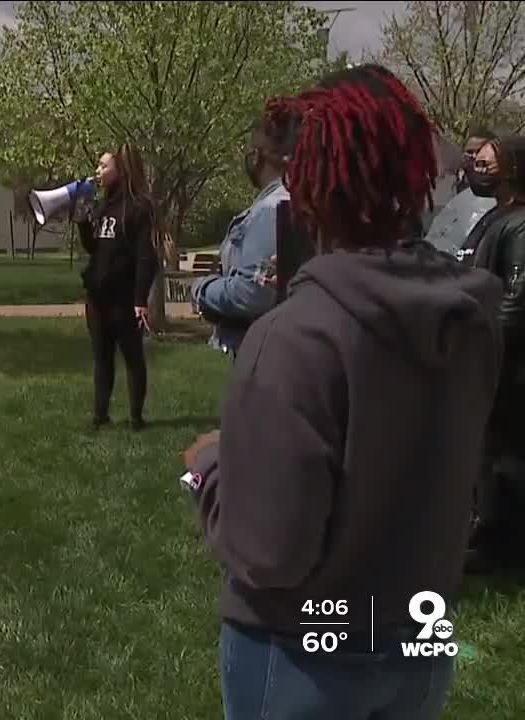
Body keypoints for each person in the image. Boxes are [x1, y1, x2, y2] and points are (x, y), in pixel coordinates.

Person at [180, 64, 501, 720]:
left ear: (307, 178)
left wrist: (213, 467)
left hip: (300, 654)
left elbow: (269, 554)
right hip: (417, 641)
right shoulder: (471, 318)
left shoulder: (292, 338)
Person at [462, 135, 525, 574]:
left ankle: (506, 546)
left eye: (489, 161)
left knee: (505, 452)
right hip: (486, 353)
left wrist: (490, 343)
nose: (478, 166)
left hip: (510, 364)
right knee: (486, 449)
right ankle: (489, 533)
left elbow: (519, 295)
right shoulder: (493, 218)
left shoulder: (519, 224)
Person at [191, 105, 299, 357]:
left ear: (261, 156)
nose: (249, 156)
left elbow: (252, 293)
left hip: (265, 354)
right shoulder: (288, 201)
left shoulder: (273, 209)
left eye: (252, 148)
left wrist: (202, 289)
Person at [78, 143, 158, 431]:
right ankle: (100, 416)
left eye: (104, 166)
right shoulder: (103, 206)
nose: (98, 171)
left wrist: (140, 300)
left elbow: (146, 257)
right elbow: (94, 249)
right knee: (102, 359)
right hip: (98, 297)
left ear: (120, 170)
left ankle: (136, 418)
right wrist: (84, 224)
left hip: (124, 299)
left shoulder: (138, 207)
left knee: (133, 358)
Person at [425, 128, 499, 257]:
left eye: (481, 152)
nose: (475, 157)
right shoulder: (459, 198)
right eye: (470, 152)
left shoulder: (503, 202)